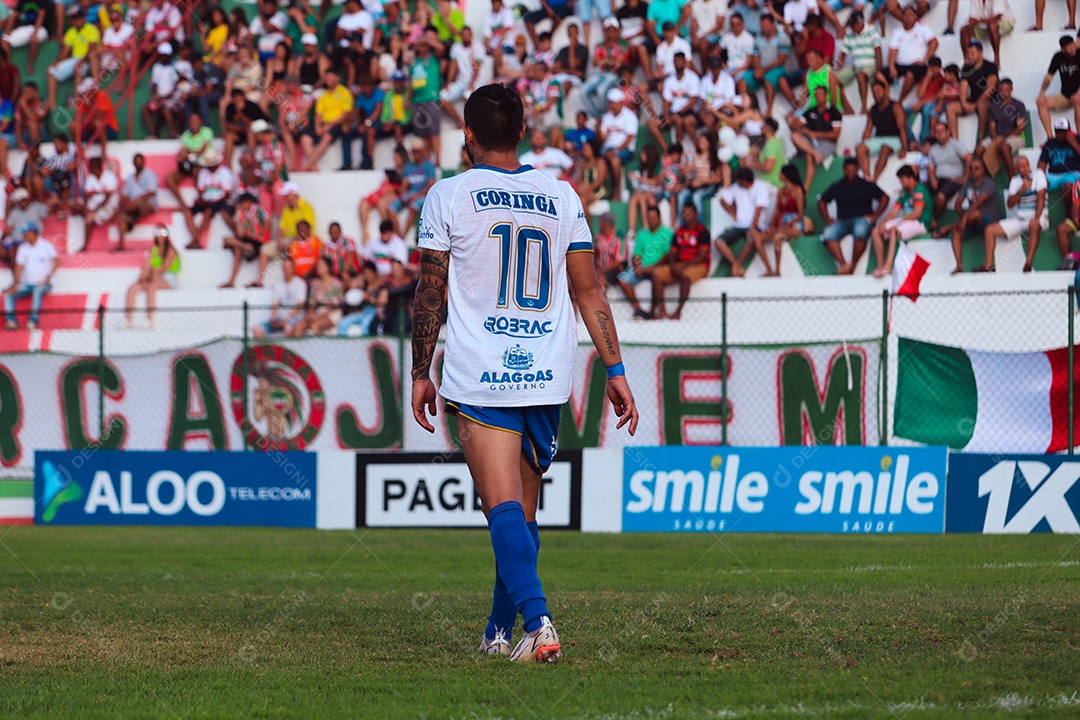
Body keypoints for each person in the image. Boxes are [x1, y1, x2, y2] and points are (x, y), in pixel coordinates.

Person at [410, 84, 638, 663]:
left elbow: (429, 291)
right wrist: (615, 367)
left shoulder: (448, 195)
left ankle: (538, 622)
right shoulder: (562, 196)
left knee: (500, 507)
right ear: (521, 135)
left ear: (467, 137)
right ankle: (495, 633)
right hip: (545, 374)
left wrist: (419, 370)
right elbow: (589, 290)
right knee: (519, 515)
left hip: (481, 372)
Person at [818, 158, 889, 274]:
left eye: (853, 169)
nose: (850, 172)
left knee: (860, 232)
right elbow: (822, 201)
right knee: (828, 234)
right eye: (847, 169)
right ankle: (844, 265)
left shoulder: (866, 184)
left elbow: (884, 197)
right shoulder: (837, 186)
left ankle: (853, 265)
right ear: (843, 170)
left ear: (857, 169)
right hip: (842, 221)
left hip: (862, 219)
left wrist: (876, 215)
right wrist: (826, 219)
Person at [981, 156, 1046, 273]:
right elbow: (1010, 204)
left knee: (1034, 225)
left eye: (1026, 165)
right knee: (989, 229)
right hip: (1020, 219)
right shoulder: (1015, 181)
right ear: (1017, 169)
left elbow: (1041, 197)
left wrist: (1036, 218)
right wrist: (1021, 191)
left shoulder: (1038, 175)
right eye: (1021, 166)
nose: (1024, 168)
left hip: (1039, 217)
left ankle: (1028, 263)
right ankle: (988, 265)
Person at [942, 157, 1003, 274]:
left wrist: (964, 220)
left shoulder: (988, 183)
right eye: (971, 169)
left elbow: (977, 204)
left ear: (983, 170)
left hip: (989, 221)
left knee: (976, 214)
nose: (974, 171)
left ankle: (988, 265)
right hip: (972, 222)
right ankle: (959, 266)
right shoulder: (968, 183)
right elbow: (958, 204)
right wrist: (963, 220)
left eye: (977, 168)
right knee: (956, 232)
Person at [650, 202, 710, 319]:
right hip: (680, 264)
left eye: (689, 213)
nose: (686, 216)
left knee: (685, 277)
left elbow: (703, 255)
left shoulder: (702, 231)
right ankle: (662, 310)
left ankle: (678, 312)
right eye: (683, 213)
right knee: (656, 274)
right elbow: (673, 252)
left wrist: (686, 266)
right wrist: (672, 265)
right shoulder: (678, 232)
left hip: (699, 265)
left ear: (696, 214)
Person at [871, 165, 932, 277]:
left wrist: (897, 222)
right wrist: (883, 224)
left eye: (903, 179)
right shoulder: (904, 192)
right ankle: (880, 265)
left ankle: (888, 267)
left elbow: (917, 214)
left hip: (920, 222)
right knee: (876, 231)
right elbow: (894, 212)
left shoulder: (919, 191)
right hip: (906, 221)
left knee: (894, 231)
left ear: (911, 178)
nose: (901, 182)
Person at [616, 205, 673, 319]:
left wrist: (652, 267)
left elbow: (667, 256)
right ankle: (638, 310)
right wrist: (637, 266)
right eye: (649, 217)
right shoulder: (642, 234)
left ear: (659, 218)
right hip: (643, 268)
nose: (651, 220)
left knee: (656, 275)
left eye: (654, 217)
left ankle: (652, 311)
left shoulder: (667, 233)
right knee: (622, 279)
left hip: (658, 267)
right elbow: (636, 255)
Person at [716, 167, 771, 278]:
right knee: (718, 241)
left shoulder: (761, 187)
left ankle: (736, 266)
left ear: (744, 181)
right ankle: (736, 266)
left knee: (752, 239)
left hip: (756, 225)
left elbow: (758, 210)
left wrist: (752, 227)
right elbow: (722, 200)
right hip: (738, 225)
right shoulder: (736, 187)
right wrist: (732, 213)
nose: (737, 182)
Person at [753, 165, 807, 277]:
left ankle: (777, 270)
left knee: (778, 237)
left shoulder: (797, 190)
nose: (779, 175)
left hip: (794, 225)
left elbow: (800, 212)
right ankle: (769, 269)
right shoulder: (780, 191)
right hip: (781, 224)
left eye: (781, 173)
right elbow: (776, 211)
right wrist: (771, 227)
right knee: (758, 238)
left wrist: (791, 222)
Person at [4, 221, 56, 330]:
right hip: (28, 284)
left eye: (26, 233)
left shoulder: (46, 245)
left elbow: (57, 261)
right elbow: (19, 266)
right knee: (8, 294)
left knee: (37, 290)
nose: (24, 236)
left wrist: (48, 277)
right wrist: (15, 283)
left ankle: (33, 321)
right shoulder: (23, 248)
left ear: (34, 233)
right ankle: (12, 322)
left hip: (44, 283)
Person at [789, 85, 842, 192]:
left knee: (809, 156)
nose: (819, 97)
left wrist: (814, 134)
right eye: (816, 95)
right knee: (794, 135)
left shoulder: (834, 112)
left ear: (826, 96)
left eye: (821, 94)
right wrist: (793, 121)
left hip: (828, 143)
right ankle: (815, 153)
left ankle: (806, 188)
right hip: (812, 142)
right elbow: (797, 126)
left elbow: (835, 134)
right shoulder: (811, 111)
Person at [124, 225, 179, 328]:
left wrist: (151, 274)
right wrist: (144, 274)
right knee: (132, 289)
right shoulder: (153, 250)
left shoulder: (171, 250)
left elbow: (164, 268)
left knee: (151, 287)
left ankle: (150, 319)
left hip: (167, 278)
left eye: (162, 233)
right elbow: (147, 265)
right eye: (158, 233)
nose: (160, 236)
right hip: (153, 277)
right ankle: (128, 320)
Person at [46, 7, 100, 111]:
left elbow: (92, 49)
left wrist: (80, 62)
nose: (77, 21)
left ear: (84, 18)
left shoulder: (91, 29)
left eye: (79, 18)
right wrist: (56, 62)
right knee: (51, 71)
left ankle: (76, 102)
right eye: (75, 19)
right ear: (71, 21)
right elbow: (65, 51)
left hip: (88, 60)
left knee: (78, 69)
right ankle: (53, 106)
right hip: (75, 60)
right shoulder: (71, 32)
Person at [856, 80, 909, 183]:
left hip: (894, 138)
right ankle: (867, 177)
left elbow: (902, 128)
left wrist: (904, 149)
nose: (876, 94)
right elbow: (868, 129)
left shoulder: (895, 106)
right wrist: (864, 144)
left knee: (884, 148)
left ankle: (875, 180)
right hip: (879, 138)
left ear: (885, 91)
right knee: (859, 148)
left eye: (878, 91)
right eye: (874, 92)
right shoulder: (873, 109)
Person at [186, 148, 237, 250]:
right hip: (206, 201)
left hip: (221, 201)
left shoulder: (225, 173)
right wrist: (202, 200)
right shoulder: (203, 172)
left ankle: (195, 240)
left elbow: (226, 195)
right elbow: (200, 190)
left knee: (208, 211)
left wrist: (210, 201)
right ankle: (195, 238)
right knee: (187, 212)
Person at [947, 40, 998, 142]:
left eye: (972, 53)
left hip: (989, 100)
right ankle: (956, 141)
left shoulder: (990, 66)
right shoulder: (967, 68)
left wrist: (976, 104)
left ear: (980, 53)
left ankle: (981, 138)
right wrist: (964, 103)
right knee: (950, 108)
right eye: (968, 53)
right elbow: (963, 88)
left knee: (982, 104)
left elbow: (991, 88)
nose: (970, 56)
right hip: (973, 100)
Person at [887, 7, 938, 103]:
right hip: (901, 65)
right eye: (906, 15)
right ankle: (885, 102)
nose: (908, 17)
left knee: (910, 75)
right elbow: (892, 51)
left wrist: (925, 60)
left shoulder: (923, 27)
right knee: (879, 75)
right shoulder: (897, 31)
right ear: (902, 17)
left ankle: (899, 101)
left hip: (918, 65)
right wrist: (891, 67)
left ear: (915, 16)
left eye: (911, 14)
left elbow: (934, 43)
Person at [978, 78, 1026, 180]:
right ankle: (981, 180)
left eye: (1006, 89)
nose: (1004, 92)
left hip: (1015, 136)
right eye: (1001, 89)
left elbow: (1020, 129)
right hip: (998, 137)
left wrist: (1004, 138)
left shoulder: (1019, 105)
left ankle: (1012, 180)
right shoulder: (993, 106)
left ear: (1011, 89)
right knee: (979, 150)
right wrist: (996, 139)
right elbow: (992, 126)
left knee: (1004, 147)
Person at [580, 18, 628, 118]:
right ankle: (598, 116)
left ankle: (604, 116)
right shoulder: (600, 44)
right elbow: (595, 61)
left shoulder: (623, 44)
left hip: (614, 75)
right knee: (582, 91)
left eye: (613, 30)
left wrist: (603, 61)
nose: (610, 32)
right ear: (605, 31)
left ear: (617, 30)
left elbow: (617, 63)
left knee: (601, 91)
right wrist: (609, 61)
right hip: (600, 74)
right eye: (608, 30)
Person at [390, 139, 437, 239]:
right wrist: (403, 195)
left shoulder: (429, 166)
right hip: (411, 193)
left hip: (424, 195)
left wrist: (415, 196)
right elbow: (404, 185)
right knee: (390, 209)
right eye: (414, 151)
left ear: (422, 151)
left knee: (412, 207)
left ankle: (403, 236)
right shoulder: (408, 167)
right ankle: (397, 235)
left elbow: (430, 186)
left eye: (418, 151)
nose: (416, 154)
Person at [837, 11, 882, 115]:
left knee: (861, 75)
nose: (851, 28)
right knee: (833, 79)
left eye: (853, 26)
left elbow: (878, 51)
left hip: (870, 66)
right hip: (856, 66)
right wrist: (839, 67)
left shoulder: (871, 30)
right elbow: (843, 53)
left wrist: (879, 70)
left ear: (860, 23)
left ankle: (864, 108)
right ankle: (847, 108)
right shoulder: (849, 34)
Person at [1036, 36, 1080, 143]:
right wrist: (1042, 92)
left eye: (1073, 44)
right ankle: (1050, 139)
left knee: (1077, 100)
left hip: (1078, 94)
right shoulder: (1058, 57)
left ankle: (1079, 137)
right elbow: (1049, 77)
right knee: (1040, 102)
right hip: (1066, 95)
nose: (1072, 48)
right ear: (1063, 49)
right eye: (1069, 47)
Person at [928, 120, 972, 225]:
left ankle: (933, 219)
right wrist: (933, 179)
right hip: (939, 179)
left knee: (941, 197)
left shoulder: (956, 144)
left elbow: (969, 159)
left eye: (942, 131)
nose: (939, 134)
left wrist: (964, 179)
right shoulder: (933, 149)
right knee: (919, 192)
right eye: (937, 132)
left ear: (948, 132)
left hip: (952, 179)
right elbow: (930, 168)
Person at [72, 157, 120, 252]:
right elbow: (87, 195)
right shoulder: (91, 178)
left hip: (107, 207)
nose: (89, 168)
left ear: (96, 167)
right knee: (74, 205)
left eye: (91, 167)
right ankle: (90, 215)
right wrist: (87, 208)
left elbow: (107, 198)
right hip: (93, 205)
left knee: (89, 220)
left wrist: (93, 211)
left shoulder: (110, 176)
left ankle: (85, 247)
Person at [598, 89, 638, 201]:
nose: (613, 105)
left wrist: (616, 151)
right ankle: (602, 192)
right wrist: (598, 128)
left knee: (615, 161)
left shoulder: (630, 116)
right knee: (599, 160)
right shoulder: (606, 117)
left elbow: (630, 138)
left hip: (625, 150)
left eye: (615, 103)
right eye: (611, 103)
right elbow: (603, 138)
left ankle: (617, 192)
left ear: (621, 103)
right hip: (608, 148)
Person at [254, 257, 308, 338]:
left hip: (294, 318)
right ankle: (268, 349)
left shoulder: (300, 283)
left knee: (288, 328)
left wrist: (286, 319)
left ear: (293, 269)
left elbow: (299, 305)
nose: (286, 270)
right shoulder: (277, 283)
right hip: (279, 318)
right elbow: (275, 304)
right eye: (284, 267)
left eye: (288, 267)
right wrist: (273, 319)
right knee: (257, 330)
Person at [118, 154, 159, 251]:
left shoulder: (150, 175)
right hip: (133, 206)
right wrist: (124, 203)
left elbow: (151, 192)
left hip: (148, 204)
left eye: (140, 161)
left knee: (135, 204)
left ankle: (130, 217)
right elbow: (125, 195)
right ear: (133, 163)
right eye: (136, 162)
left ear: (144, 162)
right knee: (122, 219)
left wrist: (136, 200)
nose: (138, 163)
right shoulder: (129, 178)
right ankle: (121, 246)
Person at [2, 188, 47, 268]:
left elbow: (50, 211)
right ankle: (16, 274)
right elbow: (9, 228)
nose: (22, 202)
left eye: (24, 200)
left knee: (15, 250)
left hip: (29, 240)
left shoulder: (37, 208)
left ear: (28, 198)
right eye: (19, 201)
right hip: (15, 240)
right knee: (5, 249)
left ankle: (17, 276)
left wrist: (55, 203)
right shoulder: (15, 212)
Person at [959, 0, 1014, 65]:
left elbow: (997, 17)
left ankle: (997, 59)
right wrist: (971, 23)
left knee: (992, 26)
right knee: (964, 30)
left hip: (1004, 22)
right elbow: (973, 17)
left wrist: (977, 21)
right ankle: (967, 62)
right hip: (984, 25)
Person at [1038, 117, 1080, 193]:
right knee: (1039, 185)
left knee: (1068, 185)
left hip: (1072, 174)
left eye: (1063, 131)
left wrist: (1073, 143)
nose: (1060, 134)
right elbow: (1042, 163)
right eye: (1058, 131)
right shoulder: (1050, 143)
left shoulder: (1077, 139)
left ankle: (1070, 205)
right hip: (1053, 176)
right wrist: (1041, 177)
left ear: (1069, 131)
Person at [593, 211, 626, 290]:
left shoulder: (619, 237)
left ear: (605, 224)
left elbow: (618, 262)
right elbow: (594, 252)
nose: (599, 224)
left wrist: (600, 271)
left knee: (601, 278)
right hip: (600, 267)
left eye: (600, 222)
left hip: (614, 270)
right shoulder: (599, 236)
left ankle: (602, 300)